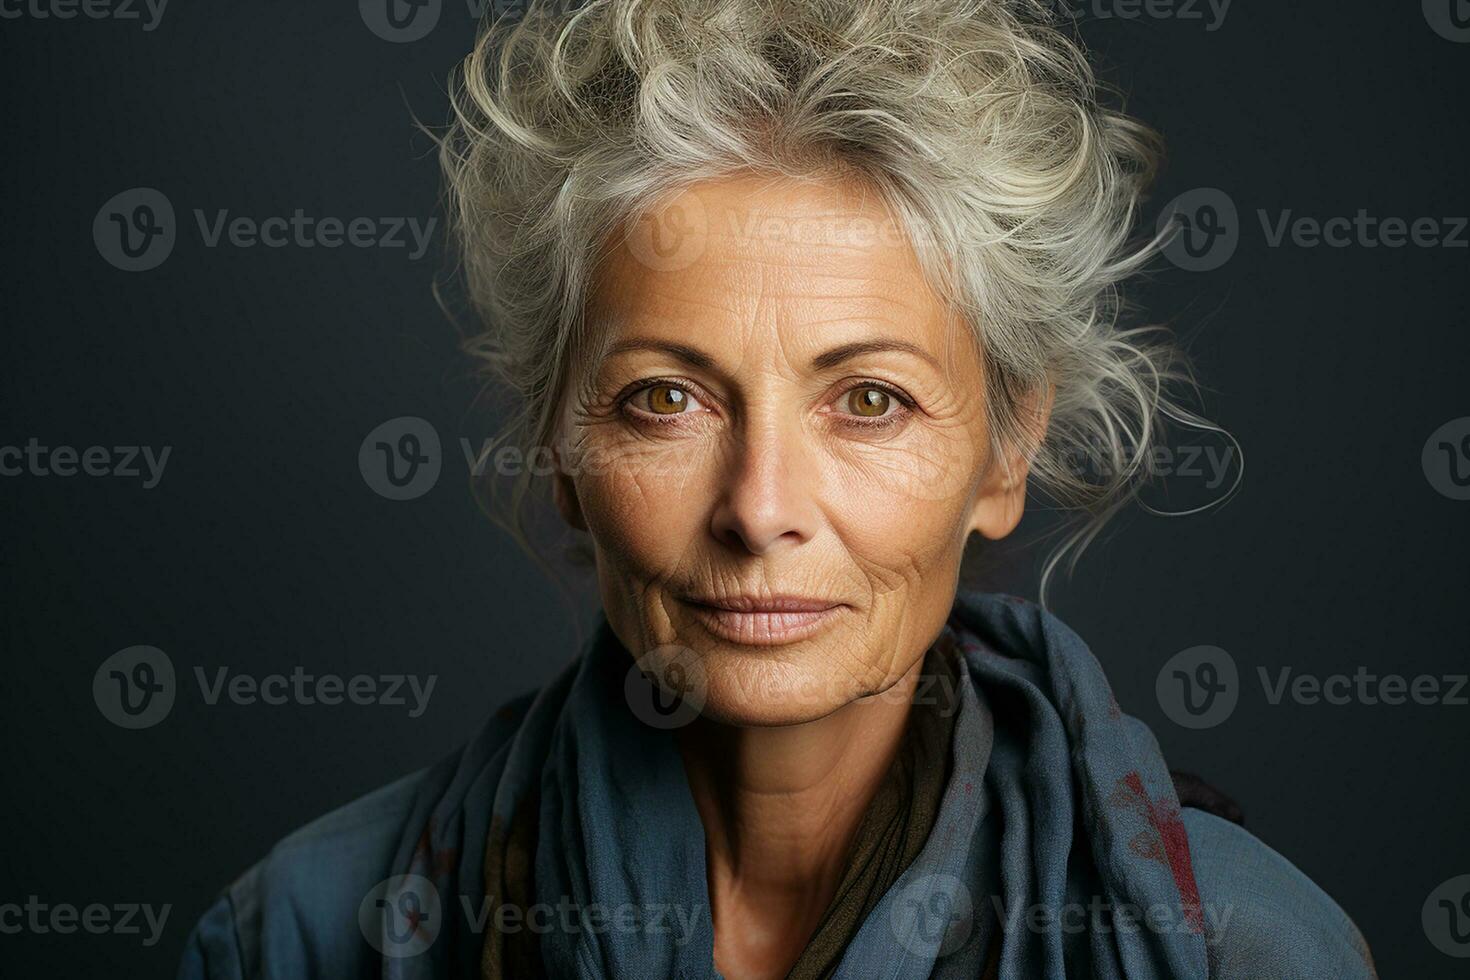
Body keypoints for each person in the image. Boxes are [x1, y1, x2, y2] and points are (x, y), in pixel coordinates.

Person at [178, 1, 1377, 976]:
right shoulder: (307, 932)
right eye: (666, 397)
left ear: (1006, 451)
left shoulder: (1241, 951)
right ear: (560, 447)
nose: (758, 508)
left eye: (869, 400)